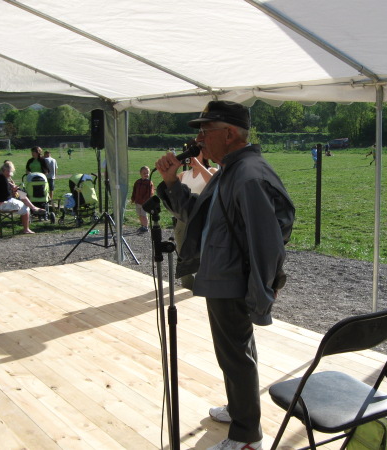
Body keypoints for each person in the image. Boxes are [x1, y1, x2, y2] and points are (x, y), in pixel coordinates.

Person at [155, 100, 295, 450]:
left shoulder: (248, 176)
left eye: (206, 130)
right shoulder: (231, 170)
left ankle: (247, 437)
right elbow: (197, 215)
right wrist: (171, 182)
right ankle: (239, 409)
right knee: (236, 352)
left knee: (235, 356)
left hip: (233, 281)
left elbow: (267, 242)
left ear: (230, 133)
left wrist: (262, 291)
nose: (199, 139)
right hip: (223, 277)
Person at [175, 151, 217, 289]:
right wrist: (172, 168)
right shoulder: (184, 174)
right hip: (184, 220)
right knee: (183, 255)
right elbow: (171, 191)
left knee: (204, 254)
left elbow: (216, 184)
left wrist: (199, 166)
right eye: (189, 154)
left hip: (203, 219)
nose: (192, 157)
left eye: (196, 153)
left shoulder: (212, 170)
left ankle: (204, 286)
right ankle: (188, 286)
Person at [0, 162, 40, 234]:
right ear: (4, 170)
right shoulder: (3, 179)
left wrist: (13, 190)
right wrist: (13, 192)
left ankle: (33, 207)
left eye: (10, 172)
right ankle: (26, 228)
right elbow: (7, 196)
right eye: (8, 171)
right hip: (1, 204)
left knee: (21, 194)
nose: (10, 174)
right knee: (26, 208)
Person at [131, 166, 154, 233]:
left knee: (144, 215)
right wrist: (133, 199)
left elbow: (150, 193)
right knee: (140, 215)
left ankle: (146, 227)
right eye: (144, 173)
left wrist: (145, 200)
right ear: (140, 173)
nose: (146, 174)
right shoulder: (137, 182)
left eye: (147, 173)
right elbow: (134, 191)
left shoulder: (149, 183)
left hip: (144, 203)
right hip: (137, 202)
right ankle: (142, 225)